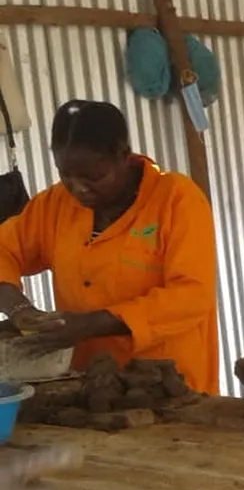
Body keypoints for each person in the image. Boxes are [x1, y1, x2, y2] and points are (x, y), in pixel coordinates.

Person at [0, 100, 219, 393]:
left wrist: (94, 323)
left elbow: (192, 295)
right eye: (66, 175)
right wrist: (18, 308)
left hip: (168, 387)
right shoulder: (53, 205)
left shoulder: (177, 200)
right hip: (87, 385)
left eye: (93, 177)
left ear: (123, 155)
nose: (78, 189)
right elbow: (4, 250)